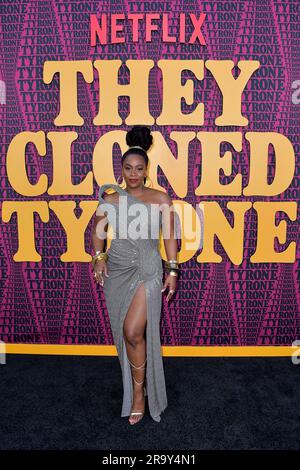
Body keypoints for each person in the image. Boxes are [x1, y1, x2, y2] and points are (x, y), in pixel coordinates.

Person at [91, 125, 179, 425]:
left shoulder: (160, 198)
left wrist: (173, 268)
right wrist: (99, 258)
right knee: (127, 335)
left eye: (138, 168)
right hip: (117, 269)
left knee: (132, 331)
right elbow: (98, 231)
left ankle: (139, 395)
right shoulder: (112, 198)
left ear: (146, 170)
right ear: (122, 169)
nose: (132, 173)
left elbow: (169, 237)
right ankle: (134, 386)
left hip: (148, 268)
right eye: (127, 168)